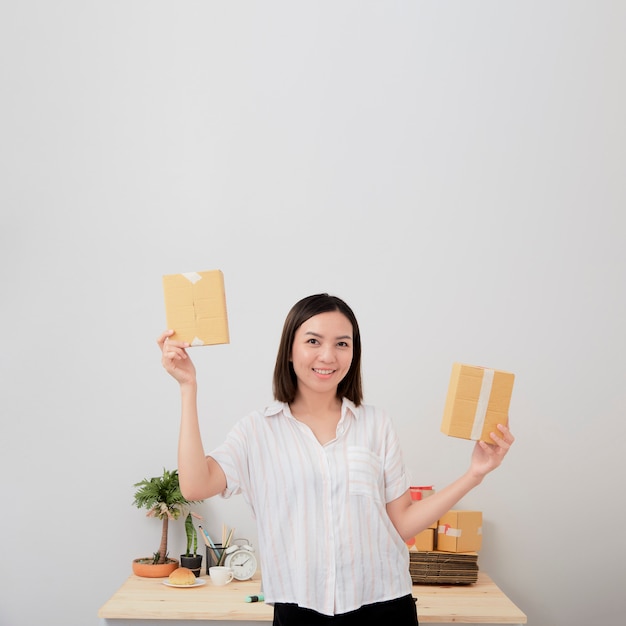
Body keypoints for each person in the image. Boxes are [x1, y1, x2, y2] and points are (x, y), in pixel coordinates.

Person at [157, 293, 515, 625]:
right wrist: (188, 387)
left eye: (342, 344)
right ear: (289, 351)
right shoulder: (257, 430)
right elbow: (194, 485)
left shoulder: (376, 424)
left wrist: (475, 473)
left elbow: (402, 523)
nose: (328, 356)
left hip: (385, 607)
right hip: (298, 610)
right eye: (313, 341)